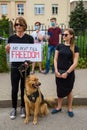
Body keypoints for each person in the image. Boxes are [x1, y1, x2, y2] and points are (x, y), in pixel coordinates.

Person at [5, 17, 34, 120]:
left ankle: (22, 107)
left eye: (20, 25)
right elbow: (10, 53)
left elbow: (32, 53)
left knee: (24, 88)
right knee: (14, 89)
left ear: (24, 26)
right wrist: (7, 50)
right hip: (14, 67)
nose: (18, 26)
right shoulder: (11, 38)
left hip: (26, 67)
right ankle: (13, 108)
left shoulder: (29, 38)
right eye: (16, 25)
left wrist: (28, 62)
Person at [51, 28, 79, 117]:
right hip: (59, 72)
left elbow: (75, 63)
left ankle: (70, 108)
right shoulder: (59, 46)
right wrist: (56, 70)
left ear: (71, 36)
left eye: (66, 34)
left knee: (69, 90)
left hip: (69, 73)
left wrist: (67, 73)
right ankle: (59, 107)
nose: (64, 36)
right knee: (59, 90)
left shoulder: (75, 47)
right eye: (63, 34)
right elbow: (55, 59)